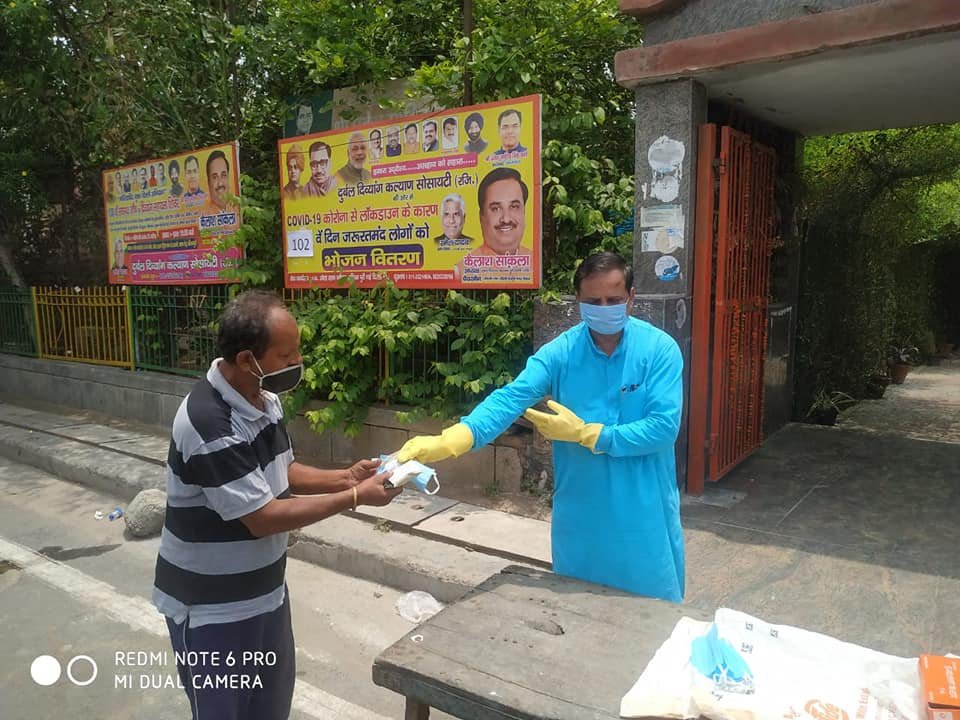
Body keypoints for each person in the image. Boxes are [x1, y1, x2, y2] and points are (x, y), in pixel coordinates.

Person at [153, 291, 402, 720]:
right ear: (247, 359)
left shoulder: (264, 399)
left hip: (265, 596)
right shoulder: (208, 423)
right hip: (211, 610)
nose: (297, 362)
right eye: (286, 355)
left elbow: (281, 470)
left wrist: (346, 477)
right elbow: (262, 517)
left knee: (270, 710)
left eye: (297, 351)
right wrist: (355, 498)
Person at [398, 252, 685, 602]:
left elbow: (663, 429)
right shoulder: (561, 352)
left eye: (614, 300)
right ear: (577, 300)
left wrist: (589, 434)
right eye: (594, 301)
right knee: (576, 611)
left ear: (631, 298)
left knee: (651, 619)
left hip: (644, 516)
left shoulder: (659, 350)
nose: (604, 308)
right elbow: (511, 398)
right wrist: (453, 439)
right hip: (581, 515)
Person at [201, 150, 236, 215]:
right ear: (208, 183)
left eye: (223, 175)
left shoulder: (237, 208)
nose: (220, 183)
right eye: (215, 177)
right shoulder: (203, 215)